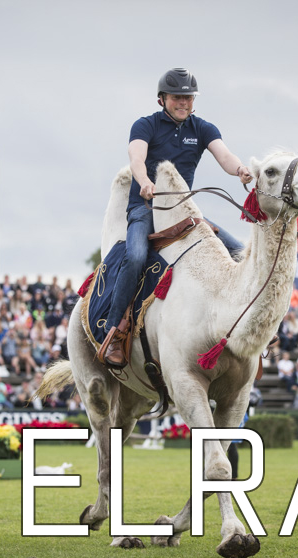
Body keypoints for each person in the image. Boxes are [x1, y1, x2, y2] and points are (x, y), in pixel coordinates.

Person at [97, 68, 253, 368]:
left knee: (238, 251)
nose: (183, 102)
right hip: (144, 207)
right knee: (136, 255)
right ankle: (114, 332)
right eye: (177, 97)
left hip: (183, 211)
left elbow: (225, 156)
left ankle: (245, 323)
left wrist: (241, 170)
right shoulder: (144, 125)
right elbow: (137, 160)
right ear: (162, 99)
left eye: (188, 98)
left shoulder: (203, 128)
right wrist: (143, 181)